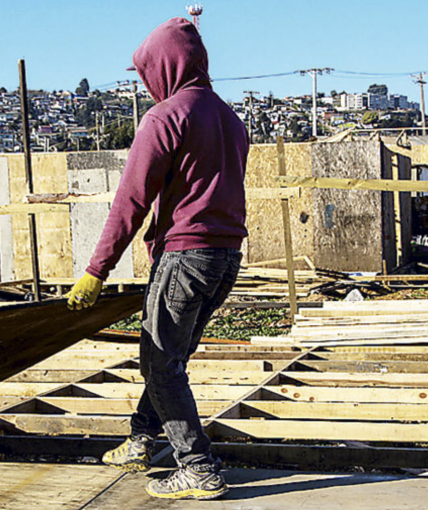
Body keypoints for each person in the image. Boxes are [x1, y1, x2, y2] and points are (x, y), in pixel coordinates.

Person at [66, 17, 248, 501]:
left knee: (161, 362)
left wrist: (95, 270)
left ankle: (197, 466)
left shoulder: (165, 117)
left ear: (162, 67)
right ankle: (143, 438)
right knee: (168, 356)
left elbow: (131, 200)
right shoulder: (230, 119)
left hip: (185, 256)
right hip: (226, 258)